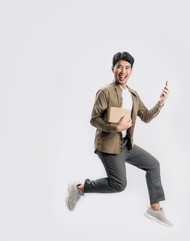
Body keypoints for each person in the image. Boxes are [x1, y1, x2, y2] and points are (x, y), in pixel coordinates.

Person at [65, 51, 172, 227]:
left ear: (131, 71)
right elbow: (94, 119)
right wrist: (116, 128)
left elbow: (145, 116)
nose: (123, 71)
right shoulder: (105, 92)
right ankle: (79, 188)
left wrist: (160, 103)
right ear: (113, 69)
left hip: (125, 145)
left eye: (127, 67)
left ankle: (155, 209)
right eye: (119, 67)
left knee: (153, 165)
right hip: (108, 146)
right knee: (119, 185)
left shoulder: (133, 94)